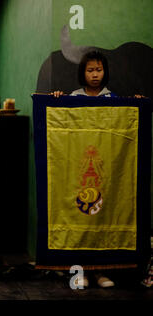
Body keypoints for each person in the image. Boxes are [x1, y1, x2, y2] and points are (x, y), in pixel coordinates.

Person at [51, 50, 145, 289]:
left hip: (104, 174)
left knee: (100, 219)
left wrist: (135, 105)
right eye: (90, 70)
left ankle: (100, 272)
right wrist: (57, 99)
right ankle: (79, 271)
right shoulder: (73, 97)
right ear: (83, 73)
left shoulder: (111, 99)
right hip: (77, 171)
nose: (95, 74)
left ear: (105, 72)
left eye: (99, 69)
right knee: (78, 218)